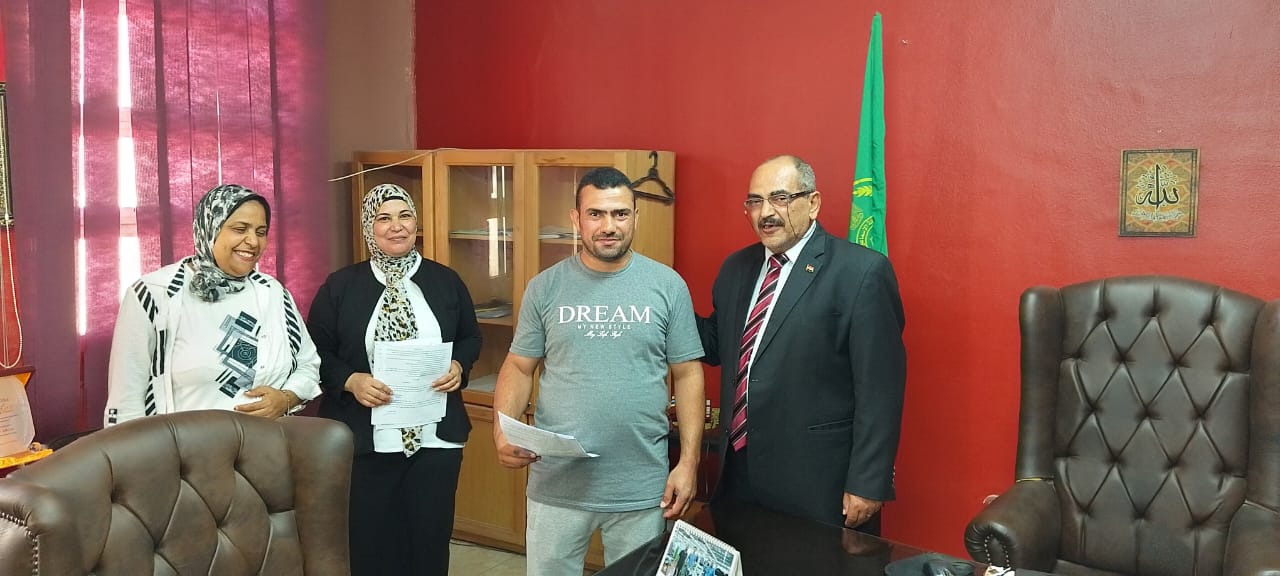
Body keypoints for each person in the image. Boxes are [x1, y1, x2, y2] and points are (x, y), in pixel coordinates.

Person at [493, 167, 706, 574]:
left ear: (635, 217)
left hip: (640, 485)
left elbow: (688, 374)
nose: (609, 226)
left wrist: (689, 462)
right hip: (557, 483)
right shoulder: (545, 287)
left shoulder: (668, 286)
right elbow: (519, 367)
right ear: (576, 219)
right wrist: (502, 431)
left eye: (620, 214)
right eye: (596, 214)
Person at [697, 155, 906, 533]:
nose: (766, 213)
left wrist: (868, 482)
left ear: (813, 203)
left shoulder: (861, 272)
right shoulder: (735, 269)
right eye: (755, 202)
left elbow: (880, 389)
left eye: (780, 198)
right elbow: (716, 344)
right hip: (739, 473)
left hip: (818, 483)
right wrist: (658, 300)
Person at [307, 183, 481, 576]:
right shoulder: (341, 286)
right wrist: (351, 380)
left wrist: (458, 365)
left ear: (416, 223)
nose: (396, 226)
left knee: (429, 544)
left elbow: (471, 337)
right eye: (384, 218)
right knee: (370, 547)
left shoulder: (446, 280)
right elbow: (315, 352)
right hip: (366, 441)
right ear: (369, 227)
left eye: (405, 216)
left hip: (435, 439)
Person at [105, 184, 320, 426]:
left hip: (266, 445)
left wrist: (286, 398)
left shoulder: (273, 293)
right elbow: (125, 403)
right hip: (183, 447)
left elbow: (308, 364)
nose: (253, 241)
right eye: (240, 229)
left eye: (261, 232)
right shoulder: (154, 293)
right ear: (210, 227)